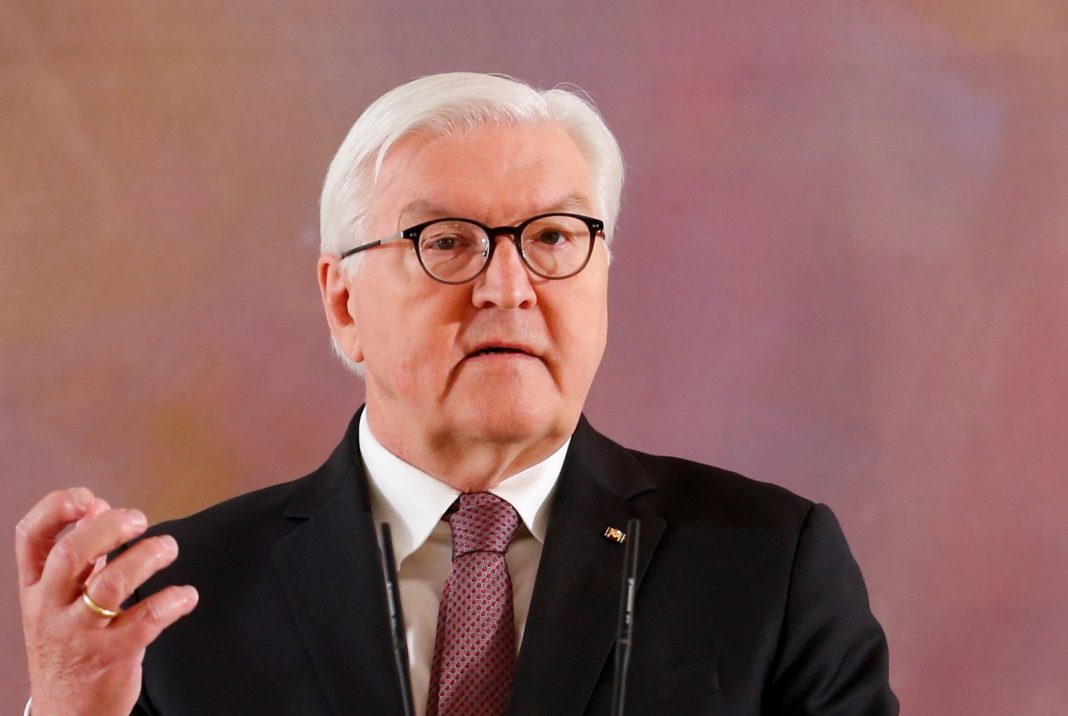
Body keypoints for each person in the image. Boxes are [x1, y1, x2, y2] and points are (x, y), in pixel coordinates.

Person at [15, 72, 898, 715]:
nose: (507, 287)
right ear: (342, 298)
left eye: (554, 237)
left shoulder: (769, 565)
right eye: (447, 242)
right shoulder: (172, 602)